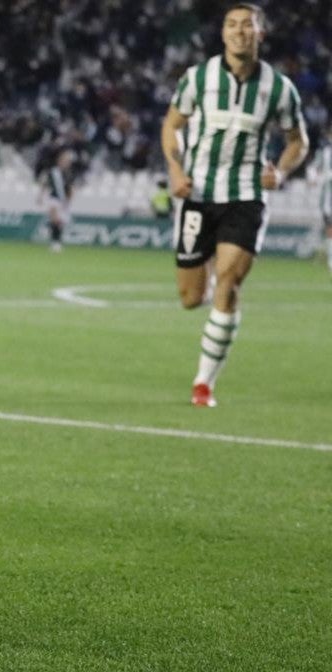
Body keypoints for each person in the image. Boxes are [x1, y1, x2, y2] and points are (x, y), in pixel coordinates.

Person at [160, 2, 308, 407]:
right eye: (232, 25)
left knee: (229, 285)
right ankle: (211, 288)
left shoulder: (279, 88)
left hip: (245, 195)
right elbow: (172, 125)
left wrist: (281, 171)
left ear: (260, 34)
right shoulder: (198, 78)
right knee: (191, 298)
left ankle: (203, 384)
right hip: (198, 195)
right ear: (223, 33)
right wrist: (175, 168)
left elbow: (298, 141)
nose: (239, 31)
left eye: (247, 25)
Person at [41, 150, 75, 253]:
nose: (66, 163)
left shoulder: (68, 174)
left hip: (63, 200)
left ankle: (57, 241)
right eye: (64, 161)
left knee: (59, 222)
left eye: (67, 161)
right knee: (54, 219)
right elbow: (45, 184)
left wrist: (68, 201)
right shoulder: (53, 172)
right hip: (54, 198)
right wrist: (40, 196)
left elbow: (70, 189)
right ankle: (54, 242)